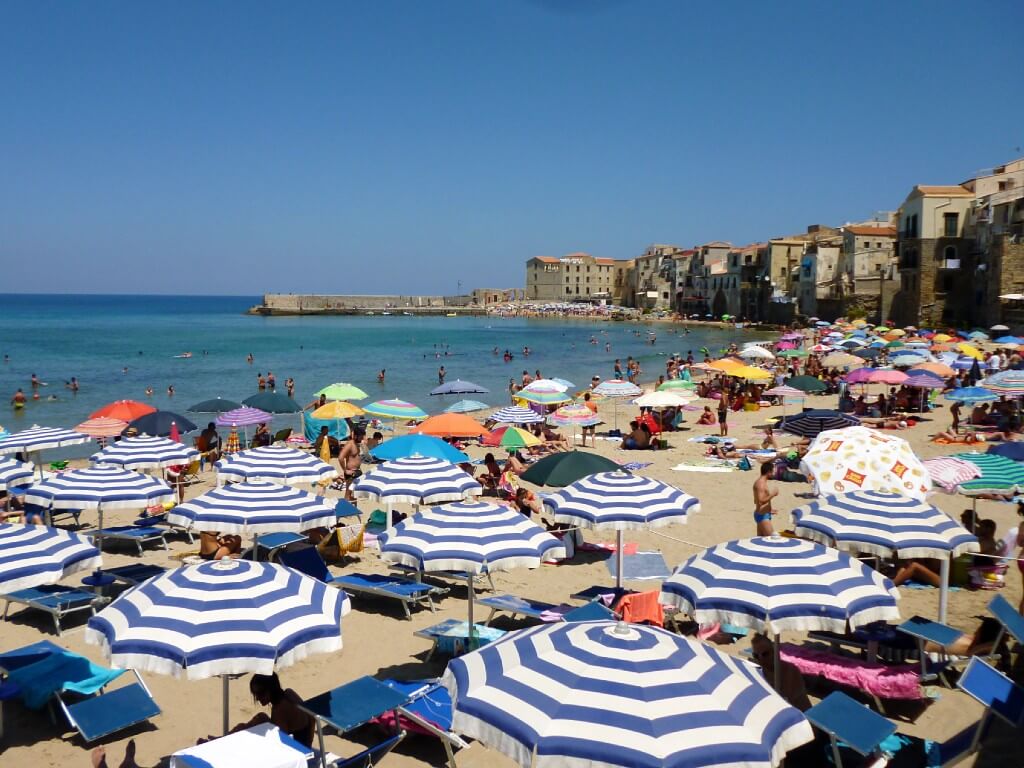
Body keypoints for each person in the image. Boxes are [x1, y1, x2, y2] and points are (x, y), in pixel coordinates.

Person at [207, 673, 314, 747]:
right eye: (255, 694)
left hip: (298, 748)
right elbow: (312, 717)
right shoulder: (288, 693)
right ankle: (223, 739)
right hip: (303, 742)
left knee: (256, 723)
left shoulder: (280, 710)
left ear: (270, 689)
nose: (257, 698)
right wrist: (309, 743)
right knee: (260, 718)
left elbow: (281, 744)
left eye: (260, 693)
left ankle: (222, 740)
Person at [750, 633, 811, 711]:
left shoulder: (790, 671)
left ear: (774, 652)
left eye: (765, 654)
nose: (761, 659)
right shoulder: (756, 672)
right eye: (756, 655)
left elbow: (794, 702)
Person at [753, 461, 778, 536]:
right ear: (768, 472)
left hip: (763, 514)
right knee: (771, 540)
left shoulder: (761, 482)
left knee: (760, 541)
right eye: (773, 471)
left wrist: (769, 509)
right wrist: (773, 494)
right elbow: (760, 501)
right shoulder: (761, 484)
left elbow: (756, 501)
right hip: (763, 516)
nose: (774, 473)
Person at [339, 431, 364, 501]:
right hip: (351, 472)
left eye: (362, 437)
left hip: (357, 471)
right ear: (355, 436)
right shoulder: (350, 444)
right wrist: (345, 470)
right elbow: (340, 458)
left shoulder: (357, 444)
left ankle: (353, 510)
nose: (361, 438)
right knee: (348, 494)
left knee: (354, 495)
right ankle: (345, 510)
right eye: (360, 437)